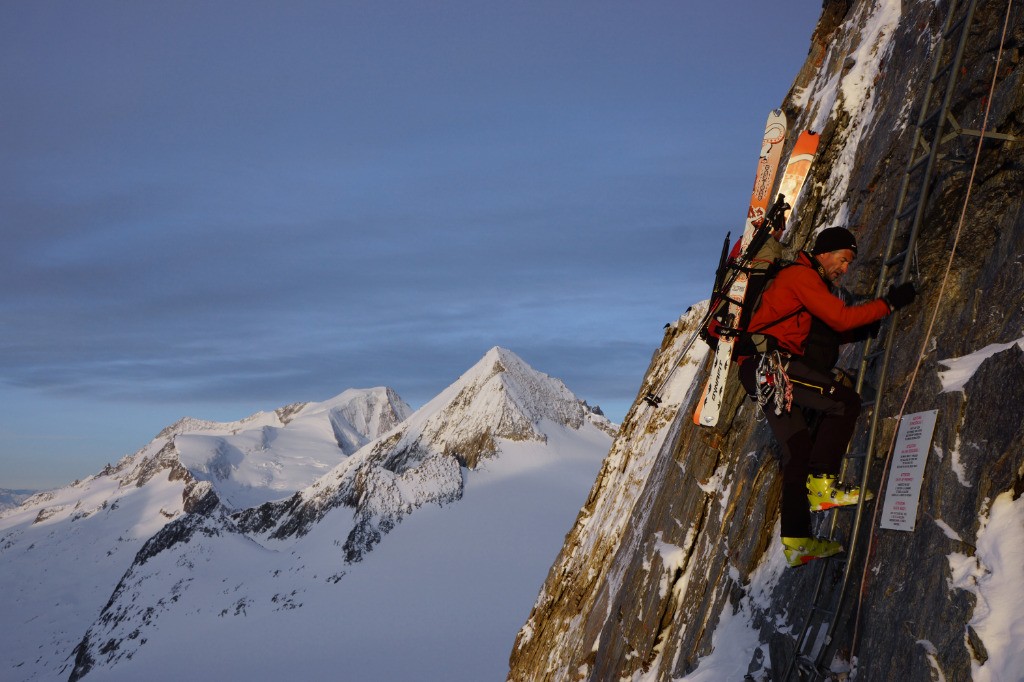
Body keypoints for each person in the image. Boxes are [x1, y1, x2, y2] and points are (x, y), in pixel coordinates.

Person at [737, 226, 916, 567]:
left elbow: (826, 333)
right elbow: (839, 317)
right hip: (773, 364)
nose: (845, 269)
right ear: (824, 253)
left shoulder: (799, 282)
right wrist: (889, 304)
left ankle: (796, 541)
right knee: (843, 402)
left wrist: (861, 328)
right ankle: (822, 486)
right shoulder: (802, 276)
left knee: (797, 450)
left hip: (759, 368)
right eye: (843, 259)